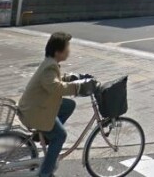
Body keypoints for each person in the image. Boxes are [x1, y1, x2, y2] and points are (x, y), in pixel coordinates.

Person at [18, 32, 97, 177]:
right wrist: (78, 87)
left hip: (37, 106)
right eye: (67, 47)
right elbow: (55, 87)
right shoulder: (50, 67)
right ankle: (45, 173)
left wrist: (73, 78)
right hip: (35, 112)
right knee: (60, 136)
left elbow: (55, 81)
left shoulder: (50, 63)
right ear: (58, 51)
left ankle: (46, 134)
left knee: (69, 105)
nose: (69, 51)